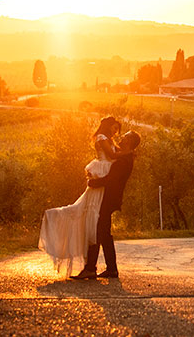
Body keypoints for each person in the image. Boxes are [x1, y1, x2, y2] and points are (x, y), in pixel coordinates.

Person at [37, 116, 128, 277]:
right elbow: (112, 156)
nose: (116, 132)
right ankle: (94, 267)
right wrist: (129, 153)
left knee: (99, 224)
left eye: (117, 129)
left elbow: (115, 155)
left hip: (104, 179)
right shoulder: (102, 138)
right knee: (94, 220)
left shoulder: (110, 140)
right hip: (102, 173)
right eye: (114, 128)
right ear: (107, 126)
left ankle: (95, 268)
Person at [71, 127, 141, 280]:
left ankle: (92, 268)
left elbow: (111, 181)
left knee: (97, 230)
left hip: (107, 198)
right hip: (108, 198)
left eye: (125, 137)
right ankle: (110, 269)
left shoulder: (124, 160)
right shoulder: (123, 157)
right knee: (103, 233)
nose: (121, 138)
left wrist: (92, 182)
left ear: (130, 142)